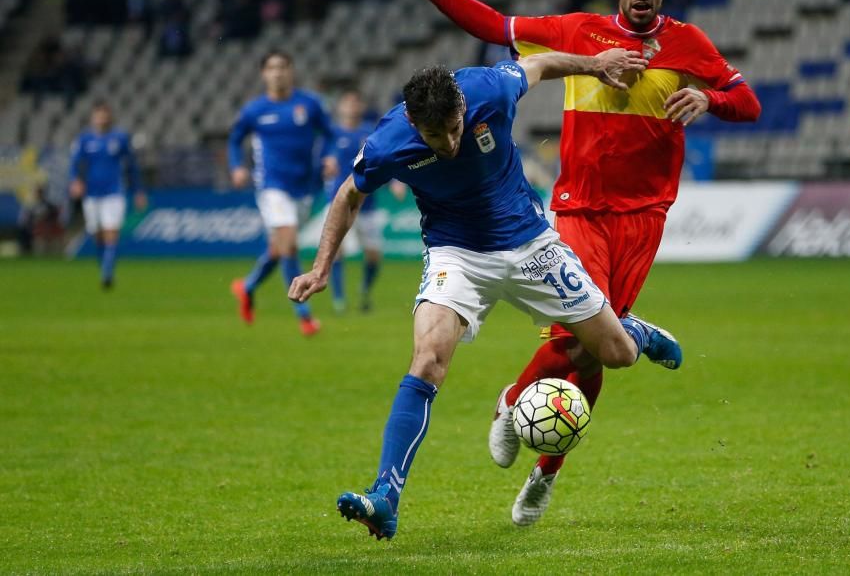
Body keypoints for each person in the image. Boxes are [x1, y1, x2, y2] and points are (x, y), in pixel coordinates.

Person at [379, 0, 761, 525]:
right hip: (580, 208)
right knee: (583, 334)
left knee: (596, 351)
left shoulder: (689, 44)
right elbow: (491, 26)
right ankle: (522, 409)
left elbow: (748, 102)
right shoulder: (580, 32)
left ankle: (537, 456)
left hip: (645, 215)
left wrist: (710, 100)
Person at [288, 49, 683, 540]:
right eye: (436, 136)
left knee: (616, 355)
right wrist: (322, 266)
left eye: (456, 127)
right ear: (413, 121)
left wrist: (594, 64)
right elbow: (350, 193)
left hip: (530, 242)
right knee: (428, 359)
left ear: (460, 106)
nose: (451, 142)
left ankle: (634, 332)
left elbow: (538, 66)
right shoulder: (390, 141)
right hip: (457, 254)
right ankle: (385, 496)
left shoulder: (488, 89)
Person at [229, 50, 337, 337]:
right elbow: (235, 139)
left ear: (291, 71)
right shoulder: (255, 110)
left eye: (282, 67)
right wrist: (237, 166)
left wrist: (329, 157)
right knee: (288, 245)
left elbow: (330, 134)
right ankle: (305, 316)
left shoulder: (309, 104)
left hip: (304, 188)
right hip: (271, 187)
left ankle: (247, 287)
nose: (277, 73)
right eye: (271, 68)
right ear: (263, 74)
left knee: (279, 249)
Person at [323, 89, 397, 313]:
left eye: (356, 102)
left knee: (373, 256)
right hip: (341, 200)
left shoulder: (369, 132)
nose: (352, 107)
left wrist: (394, 181)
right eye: (348, 102)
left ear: (361, 107)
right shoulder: (332, 134)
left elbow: (384, 159)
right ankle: (339, 300)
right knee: (337, 251)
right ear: (340, 107)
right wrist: (326, 165)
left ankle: (364, 291)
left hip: (368, 202)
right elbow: (322, 160)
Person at [68, 102, 147, 289]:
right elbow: (75, 164)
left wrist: (138, 191)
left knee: (111, 232)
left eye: (105, 115)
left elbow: (132, 166)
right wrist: (75, 181)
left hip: (114, 192)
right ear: (93, 117)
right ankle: (104, 267)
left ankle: (107, 274)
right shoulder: (84, 140)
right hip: (92, 193)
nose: (102, 118)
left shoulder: (119, 138)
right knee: (97, 234)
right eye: (98, 115)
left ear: (109, 117)